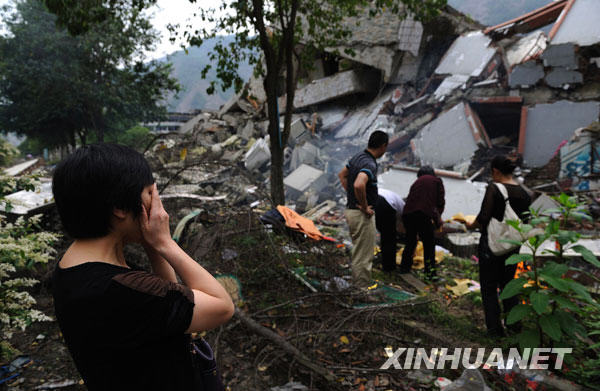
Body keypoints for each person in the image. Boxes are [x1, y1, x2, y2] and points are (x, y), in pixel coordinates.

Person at [51, 143, 234, 390]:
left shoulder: (72, 270)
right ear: (119, 207)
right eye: (150, 193)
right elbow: (222, 306)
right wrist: (165, 243)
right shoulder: (119, 289)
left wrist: (153, 247)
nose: (157, 205)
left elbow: (167, 301)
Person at [466, 155, 532, 337]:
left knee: (488, 288)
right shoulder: (525, 192)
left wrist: (470, 225)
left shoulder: (495, 188)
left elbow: (484, 217)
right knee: (509, 286)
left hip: (492, 245)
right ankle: (514, 327)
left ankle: (495, 331)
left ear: (495, 171)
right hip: (513, 247)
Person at [338, 131, 388, 288]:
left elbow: (342, 175)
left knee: (358, 251)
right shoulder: (370, 164)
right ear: (383, 146)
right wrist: (364, 206)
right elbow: (359, 184)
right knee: (364, 255)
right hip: (360, 215)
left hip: (350, 211)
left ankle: (356, 283)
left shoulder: (358, 157)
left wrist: (352, 196)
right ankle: (361, 290)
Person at [399, 166, 445, 280]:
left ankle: (404, 269)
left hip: (407, 214)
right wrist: (438, 221)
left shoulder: (416, 183)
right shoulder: (437, 181)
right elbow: (439, 203)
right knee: (429, 244)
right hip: (423, 214)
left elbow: (411, 200)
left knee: (410, 242)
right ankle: (430, 274)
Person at [375, 188, 405, 273]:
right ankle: (389, 267)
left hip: (370, 197)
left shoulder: (394, 197)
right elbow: (405, 221)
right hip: (384, 202)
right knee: (389, 237)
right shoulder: (403, 206)